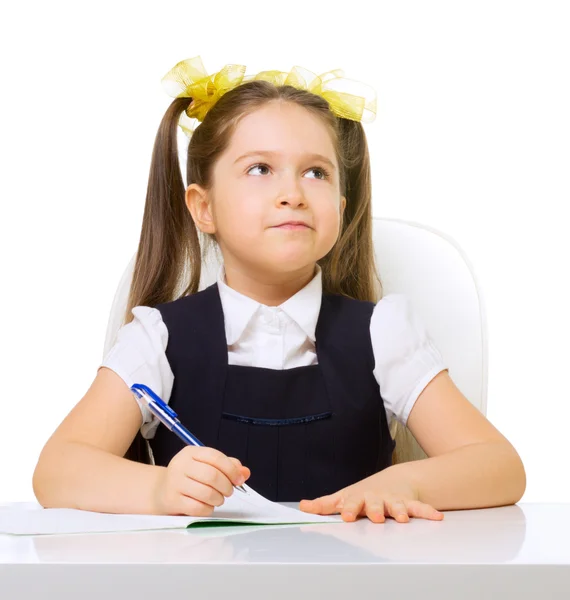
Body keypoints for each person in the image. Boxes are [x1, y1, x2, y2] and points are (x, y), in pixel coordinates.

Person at [32, 55, 526, 524]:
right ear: (203, 208)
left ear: (341, 204)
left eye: (316, 172)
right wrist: (158, 490)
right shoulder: (158, 339)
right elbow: (56, 471)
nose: (292, 192)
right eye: (259, 169)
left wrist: (409, 483)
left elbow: (499, 465)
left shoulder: (383, 332)